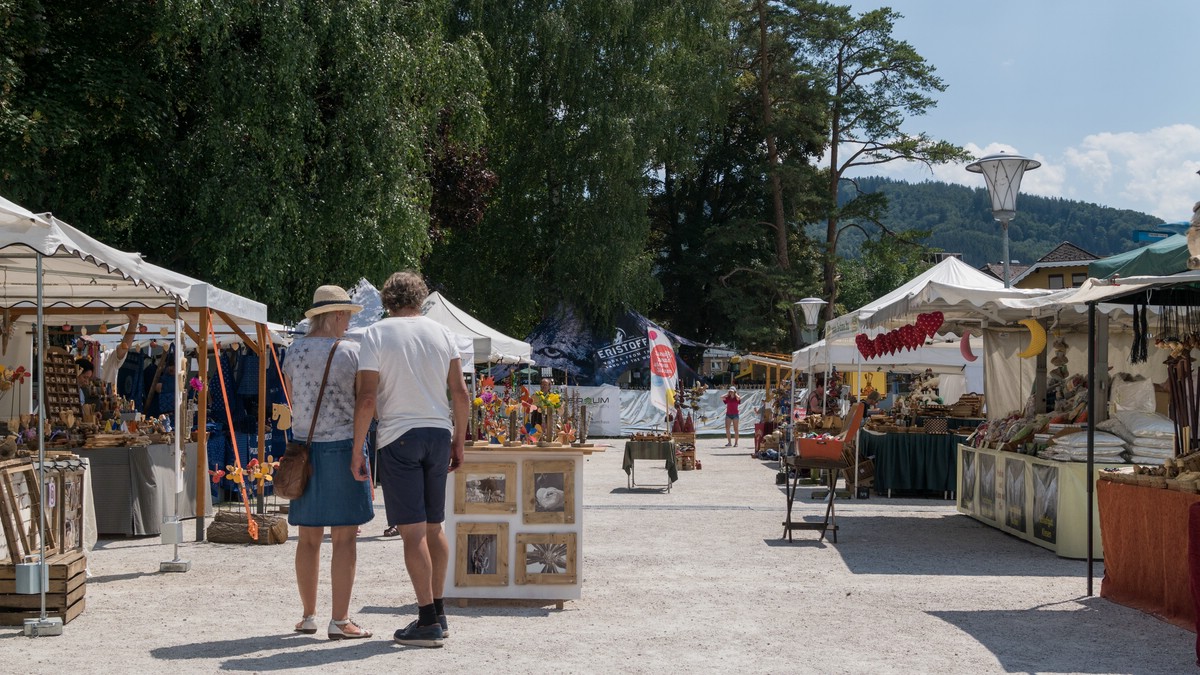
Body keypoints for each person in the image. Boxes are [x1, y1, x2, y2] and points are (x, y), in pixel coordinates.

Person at [351, 270, 469, 649]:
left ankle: (426, 621)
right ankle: (439, 612)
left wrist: (357, 450)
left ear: (387, 299)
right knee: (435, 527)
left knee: (413, 532)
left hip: (398, 436)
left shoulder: (376, 334)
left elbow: (367, 398)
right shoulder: (443, 333)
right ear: (421, 299)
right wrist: (459, 441)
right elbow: (461, 394)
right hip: (437, 432)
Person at [281, 285, 374, 640]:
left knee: (308, 538)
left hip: (303, 448)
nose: (349, 322)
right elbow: (363, 400)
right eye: (347, 315)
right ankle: (340, 619)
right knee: (345, 538)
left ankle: (308, 615)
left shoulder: (293, 351)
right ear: (336, 314)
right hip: (342, 446)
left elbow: (292, 399)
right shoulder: (351, 353)